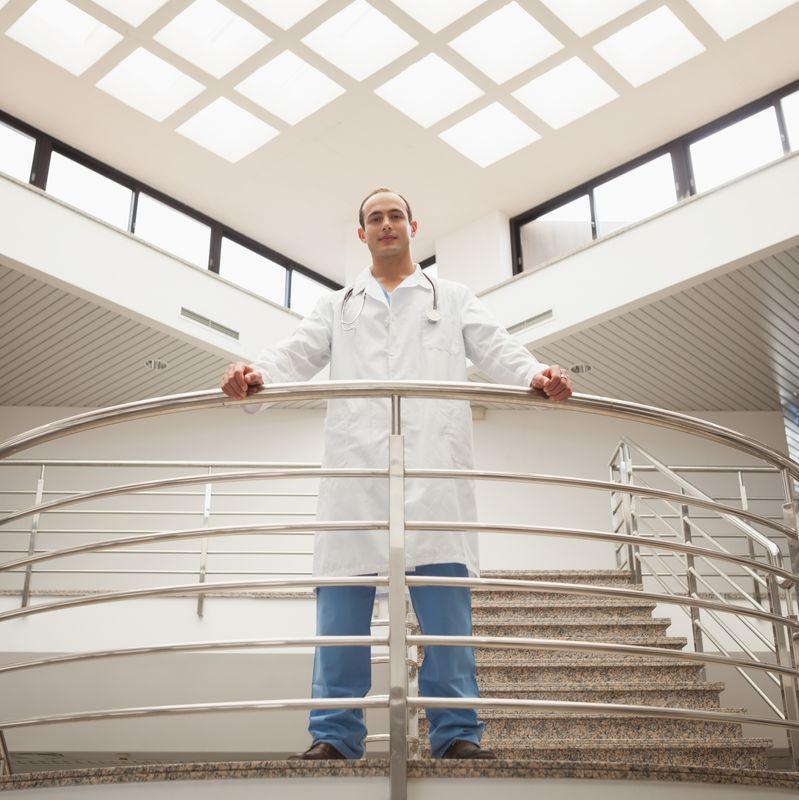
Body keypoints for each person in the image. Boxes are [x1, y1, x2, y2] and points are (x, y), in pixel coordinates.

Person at [220, 188, 573, 761]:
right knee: (339, 623)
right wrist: (252, 376)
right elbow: (294, 354)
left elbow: (498, 349)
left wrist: (537, 375)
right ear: (362, 234)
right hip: (355, 483)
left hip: (434, 481)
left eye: (394, 216)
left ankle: (456, 733)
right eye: (373, 218)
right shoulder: (338, 305)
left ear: (413, 225)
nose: (385, 224)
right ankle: (333, 736)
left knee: (446, 625)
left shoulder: (452, 298)